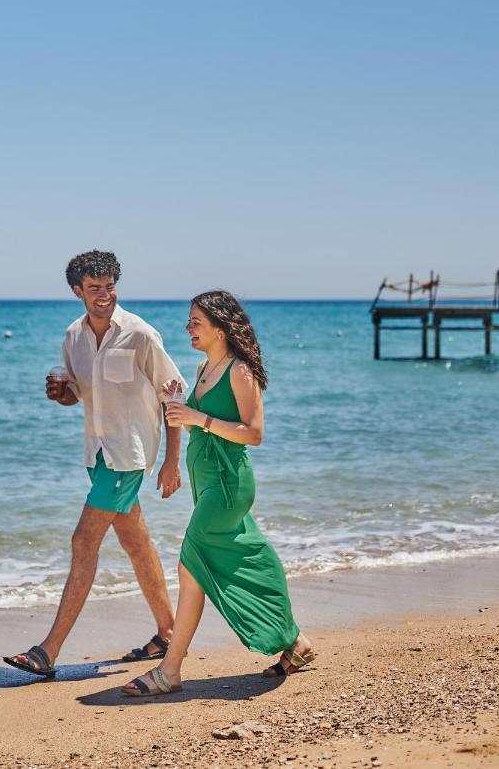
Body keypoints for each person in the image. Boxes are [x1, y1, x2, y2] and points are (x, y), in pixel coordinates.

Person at [122, 290, 314, 696]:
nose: (188, 328)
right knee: (248, 558)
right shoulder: (203, 367)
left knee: (191, 564)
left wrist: (198, 416)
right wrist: (175, 404)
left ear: (221, 329)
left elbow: (253, 433)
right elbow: (196, 426)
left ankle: (170, 669)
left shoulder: (240, 371)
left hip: (228, 485)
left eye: (195, 322)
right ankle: (295, 642)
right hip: (207, 483)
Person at [4, 250, 186, 677]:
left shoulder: (141, 334)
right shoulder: (73, 337)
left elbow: (173, 395)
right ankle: (168, 632)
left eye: (109, 287)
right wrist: (59, 394)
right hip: (97, 454)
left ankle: (46, 652)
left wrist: (172, 461)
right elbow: (74, 395)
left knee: (83, 542)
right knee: (135, 543)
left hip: (128, 458)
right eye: (94, 289)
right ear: (77, 292)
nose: (104, 296)